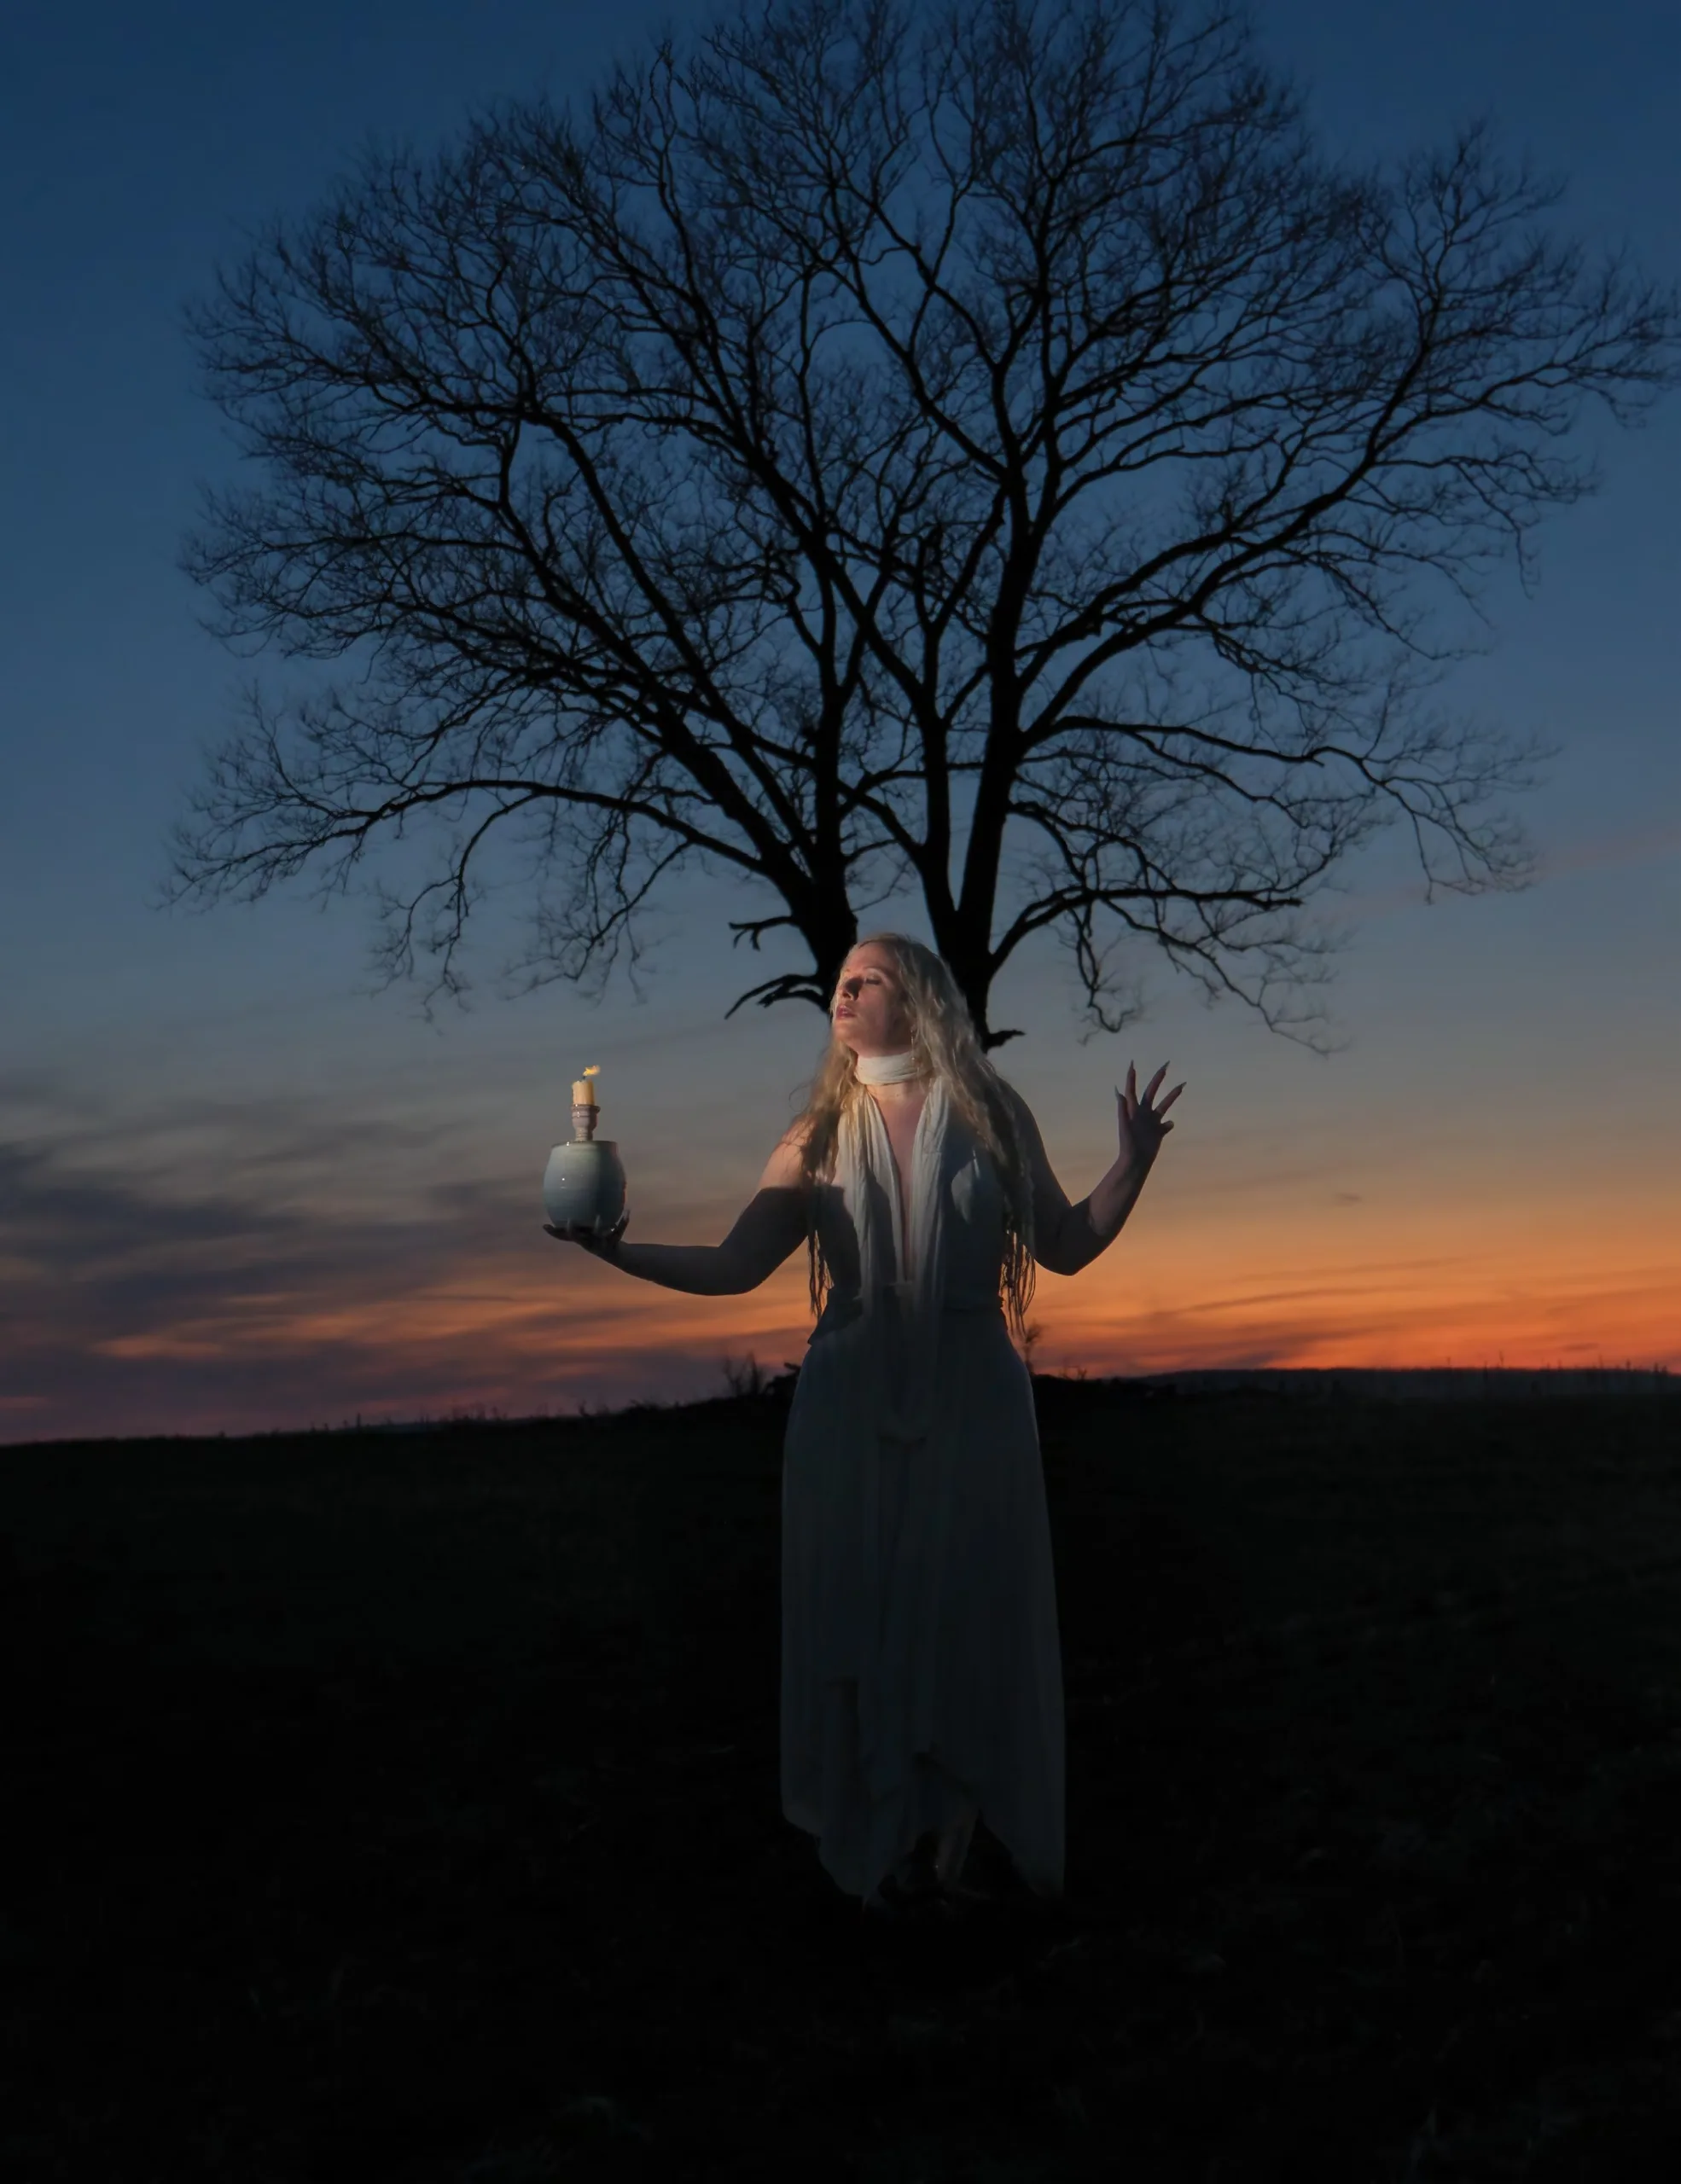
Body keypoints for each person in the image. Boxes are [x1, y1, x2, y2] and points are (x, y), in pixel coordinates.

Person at [545, 932, 1184, 1919]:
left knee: (966, 1615)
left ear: (918, 1000)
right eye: (836, 982)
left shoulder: (990, 1112)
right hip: (848, 1401)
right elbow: (734, 1264)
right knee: (866, 1611)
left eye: (863, 980)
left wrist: (1131, 1165)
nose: (838, 995)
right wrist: (618, 1256)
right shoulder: (815, 1132)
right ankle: (886, 1852)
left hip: (972, 1397)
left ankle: (954, 1852)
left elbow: (1060, 1246)